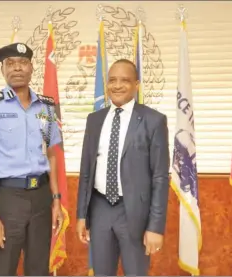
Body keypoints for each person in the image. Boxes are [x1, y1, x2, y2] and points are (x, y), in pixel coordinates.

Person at [0, 42, 64, 276]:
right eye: (10, 64)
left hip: (41, 197)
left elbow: (52, 154)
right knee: (3, 269)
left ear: (31, 68)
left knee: (38, 269)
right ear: (3, 70)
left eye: (22, 63)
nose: (17, 68)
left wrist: (56, 200)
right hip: (8, 199)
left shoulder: (46, 107)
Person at [76, 59, 170, 275]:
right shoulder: (94, 120)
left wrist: (155, 227)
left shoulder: (153, 121)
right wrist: (82, 214)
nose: (117, 86)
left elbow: (160, 177)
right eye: (112, 80)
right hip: (99, 209)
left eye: (125, 80)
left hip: (135, 214)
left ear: (136, 84)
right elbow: (86, 172)